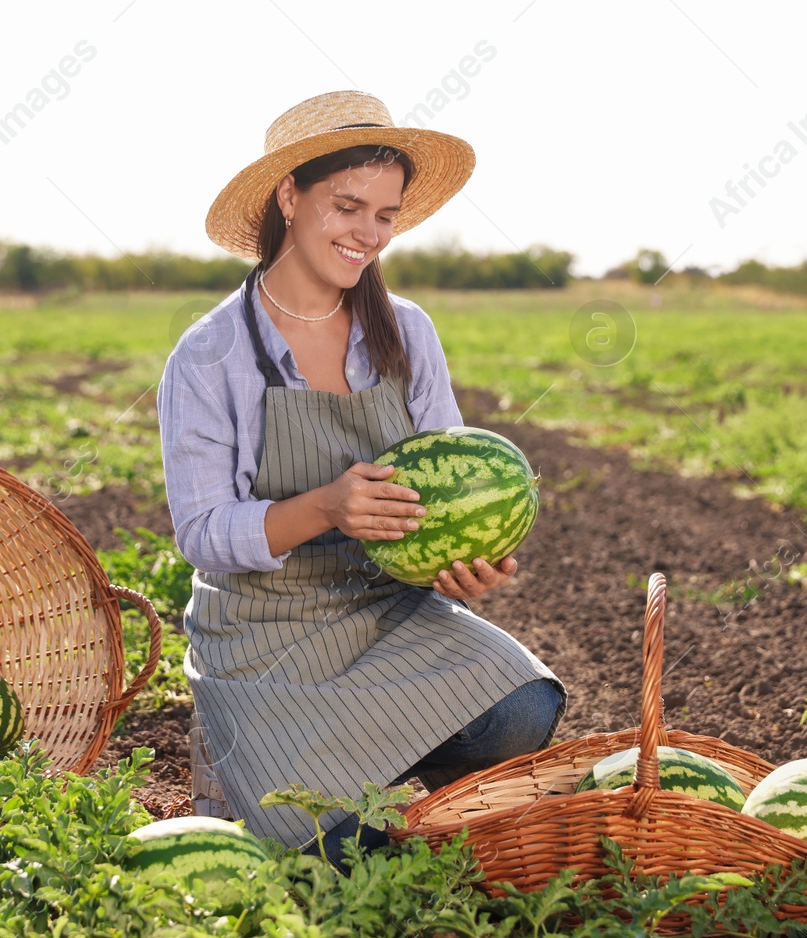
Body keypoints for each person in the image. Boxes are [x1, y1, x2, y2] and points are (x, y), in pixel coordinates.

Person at [157, 90, 566, 863]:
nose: (368, 234)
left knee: (525, 708)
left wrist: (456, 567)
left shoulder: (406, 330)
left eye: (386, 214)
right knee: (337, 852)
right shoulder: (210, 353)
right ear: (290, 196)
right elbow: (203, 534)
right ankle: (319, 785)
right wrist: (325, 505)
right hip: (265, 636)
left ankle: (373, 780)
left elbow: (446, 478)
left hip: (387, 611)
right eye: (349, 206)